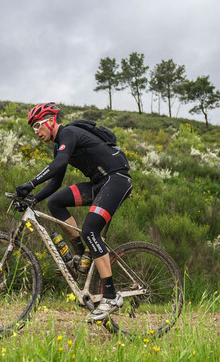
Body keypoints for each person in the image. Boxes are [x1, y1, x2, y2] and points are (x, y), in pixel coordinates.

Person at [16, 102, 132, 322]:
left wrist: (30, 183)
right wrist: (33, 199)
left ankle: (111, 297)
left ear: (51, 121)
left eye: (38, 125)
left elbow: (60, 163)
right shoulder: (59, 145)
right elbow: (55, 182)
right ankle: (79, 256)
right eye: (33, 128)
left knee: (90, 230)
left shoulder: (68, 133)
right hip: (99, 183)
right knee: (56, 202)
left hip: (116, 180)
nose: (36, 131)